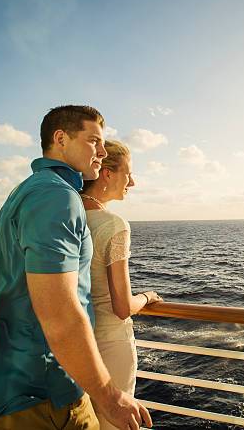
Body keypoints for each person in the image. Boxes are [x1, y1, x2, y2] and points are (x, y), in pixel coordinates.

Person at [0, 105, 152, 430]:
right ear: (60, 139)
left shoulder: (29, 189)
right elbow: (60, 314)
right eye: (93, 141)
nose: (101, 152)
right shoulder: (57, 197)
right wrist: (109, 396)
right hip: (41, 395)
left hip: (28, 387)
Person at [80, 139, 162, 430]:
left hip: (75, 349)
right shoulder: (114, 224)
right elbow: (123, 306)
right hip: (110, 346)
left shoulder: (66, 217)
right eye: (128, 173)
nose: (133, 182)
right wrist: (148, 296)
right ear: (107, 174)